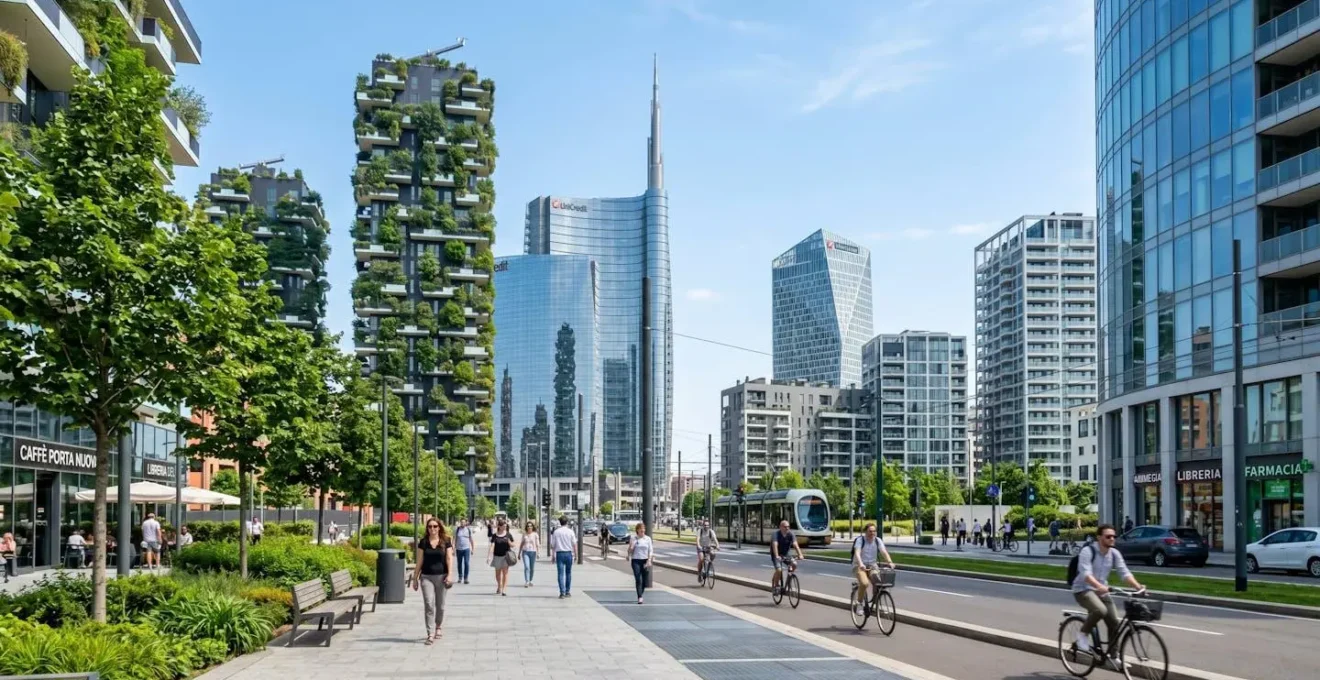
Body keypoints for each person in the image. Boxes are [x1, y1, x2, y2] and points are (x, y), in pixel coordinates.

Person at [1071, 524, 1145, 656]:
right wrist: (1098, 586)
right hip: (1083, 589)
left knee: (1114, 622)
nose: (1112, 539)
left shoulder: (1114, 553)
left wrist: (1138, 586)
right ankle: (1082, 634)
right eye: (1108, 536)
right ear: (1099, 537)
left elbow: (1124, 573)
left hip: (1102, 591)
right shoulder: (1087, 551)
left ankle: (1113, 656)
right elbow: (1086, 574)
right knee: (1100, 610)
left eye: (1114, 536)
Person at [412, 518, 455, 645]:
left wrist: (450, 574)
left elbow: (449, 558)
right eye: (430, 526)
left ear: (439, 528)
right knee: (429, 604)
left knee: (440, 606)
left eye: (435, 526)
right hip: (426, 577)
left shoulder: (446, 541)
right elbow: (419, 560)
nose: (432, 529)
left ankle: (438, 626)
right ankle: (430, 633)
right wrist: (415, 578)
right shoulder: (423, 542)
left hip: (442, 576)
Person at [850, 523, 895, 613]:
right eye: (870, 531)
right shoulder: (860, 540)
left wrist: (890, 562)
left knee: (879, 582)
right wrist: (861, 564)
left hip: (872, 566)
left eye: (874, 531)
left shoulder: (878, 540)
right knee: (864, 583)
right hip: (859, 565)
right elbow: (857, 553)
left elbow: (884, 552)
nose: (872, 533)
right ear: (865, 532)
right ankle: (859, 603)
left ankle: (876, 603)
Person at [770, 519, 804, 594]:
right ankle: (776, 586)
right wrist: (777, 556)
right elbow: (775, 545)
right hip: (776, 554)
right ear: (780, 527)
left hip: (786, 554)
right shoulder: (775, 534)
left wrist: (800, 554)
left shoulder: (791, 534)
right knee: (779, 570)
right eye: (785, 527)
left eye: (788, 527)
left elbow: (795, 545)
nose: (787, 528)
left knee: (794, 564)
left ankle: (789, 579)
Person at [550, 516, 577, 598]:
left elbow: (553, 545)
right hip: (568, 553)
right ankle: (568, 591)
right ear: (567, 522)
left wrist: (553, 556)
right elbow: (574, 544)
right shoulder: (570, 532)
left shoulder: (556, 532)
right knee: (568, 573)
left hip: (559, 554)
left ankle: (562, 592)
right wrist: (576, 555)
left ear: (559, 522)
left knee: (560, 574)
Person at [627, 523, 653, 605]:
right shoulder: (633, 538)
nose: (642, 530)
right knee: (638, 579)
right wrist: (631, 548)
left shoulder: (647, 539)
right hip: (636, 560)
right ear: (637, 530)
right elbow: (629, 551)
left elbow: (650, 550)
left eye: (643, 529)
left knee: (644, 581)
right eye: (641, 529)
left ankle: (640, 593)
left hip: (645, 560)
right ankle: (640, 597)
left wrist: (649, 560)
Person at [486, 519, 513, 596]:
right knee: (498, 574)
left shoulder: (508, 534)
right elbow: (492, 546)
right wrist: (489, 557)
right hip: (497, 556)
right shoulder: (494, 536)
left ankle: (504, 589)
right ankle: (499, 585)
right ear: (499, 526)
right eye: (503, 526)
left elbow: (513, 544)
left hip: (506, 556)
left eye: (505, 526)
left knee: (505, 573)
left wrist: (510, 543)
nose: (505, 527)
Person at [520, 521, 540, 587]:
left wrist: (538, 553)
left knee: (532, 568)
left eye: (531, 526)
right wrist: (519, 552)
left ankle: (530, 580)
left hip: (533, 552)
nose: (529, 527)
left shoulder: (535, 534)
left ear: (532, 527)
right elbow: (522, 543)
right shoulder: (524, 534)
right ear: (526, 527)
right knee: (527, 567)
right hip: (525, 552)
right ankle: (527, 581)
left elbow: (537, 544)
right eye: (528, 526)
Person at [453, 518, 473, 585]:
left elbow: (471, 539)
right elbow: (454, 539)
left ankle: (466, 578)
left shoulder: (468, 530)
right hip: (459, 549)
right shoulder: (457, 530)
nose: (462, 523)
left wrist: (473, 548)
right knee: (459, 563)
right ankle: (460, 577)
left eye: (464, 522)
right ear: (460, 523)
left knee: (466, 563)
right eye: (461, 522)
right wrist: (453, 549)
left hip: (466, 549)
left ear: (466, 523)